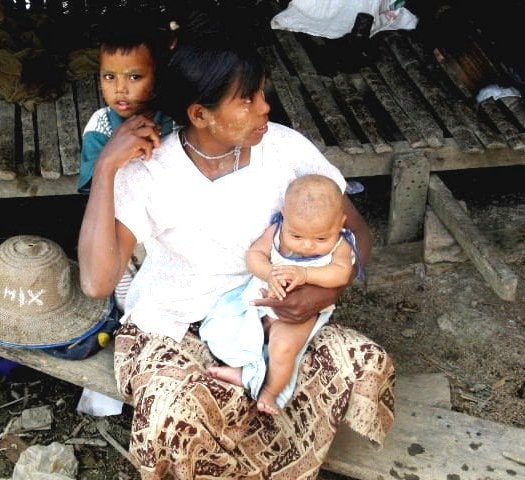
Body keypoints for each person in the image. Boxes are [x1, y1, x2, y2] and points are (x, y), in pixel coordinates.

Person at [78, 9, 394, 478]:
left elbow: (358, 232)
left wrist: (327, 291)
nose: (265, 107)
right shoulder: (150, 171)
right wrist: (105, 169)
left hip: (262, 318)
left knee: (360, 360)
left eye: (261, 93)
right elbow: (96, 281)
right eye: (247, 99)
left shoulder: (284, 149)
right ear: (199, 114)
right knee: (178, 413)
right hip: (173, 327)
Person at [201, 173, 361, 415]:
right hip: (259, 303)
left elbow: (340, 274)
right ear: (284, 216)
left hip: (298, 316)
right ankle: (244, 371)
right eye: (296, 235)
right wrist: (269, 272)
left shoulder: (340, 245)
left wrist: (306, 275)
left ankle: (268, 391)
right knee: (231, 329)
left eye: (320, 238)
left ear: (340, 224)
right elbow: (254, 256)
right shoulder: (276, 232)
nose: (307, 245)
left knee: (283, 349)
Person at [77, 7, 175, 311]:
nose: (120, 88)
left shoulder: (172, 122)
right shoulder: (101, 126)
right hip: (121, 228)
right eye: (109, 77)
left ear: (157, 77)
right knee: (129, 299)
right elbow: (97, 195)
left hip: (166, 223)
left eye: (134, 76)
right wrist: (117, 157)